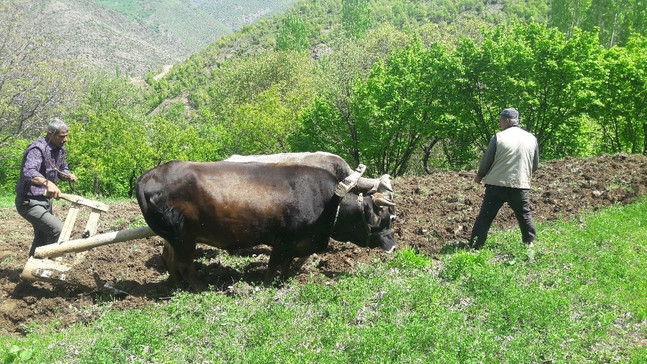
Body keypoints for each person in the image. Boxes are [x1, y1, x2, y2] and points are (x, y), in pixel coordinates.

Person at [469, 107, 539, 249]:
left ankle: (475, 246)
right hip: (520, 185)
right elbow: (535, 165)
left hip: (496, 185)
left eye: (501, 121)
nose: (500, 124)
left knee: (486, 216)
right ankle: (529, 243)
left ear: (507, 121)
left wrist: (480, 175)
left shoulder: (498, 137)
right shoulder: (532, 139)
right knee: (524, 214)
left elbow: (487, 160)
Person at [15, 118, 77, 257]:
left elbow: (62, 169)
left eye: (66, 135)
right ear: (50, 134)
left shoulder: (60, 150)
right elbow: (29, 172)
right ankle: (47, 264)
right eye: (62, 136)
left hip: (46, 201)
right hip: (29, 202)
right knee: (59, 230)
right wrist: (48, 183)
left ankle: (31, 271)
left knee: (42, 236)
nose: (65, 139)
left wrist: (67, 175)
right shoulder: (37, 149)